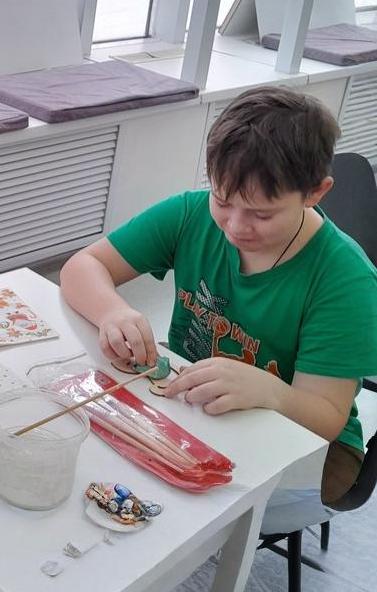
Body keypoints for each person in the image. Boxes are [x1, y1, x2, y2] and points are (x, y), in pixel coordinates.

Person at [60, 86, 377, 530]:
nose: (235, 226)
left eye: (262, 214)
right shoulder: (192, 215)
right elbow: (82, 267)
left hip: (311, 445)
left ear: (315, 193)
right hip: (195, 405)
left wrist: (269, 391)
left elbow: (325, 418)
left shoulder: (345, 278)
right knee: (95, 451)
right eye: (223, 200)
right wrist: (112, 310)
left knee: (163, 512)